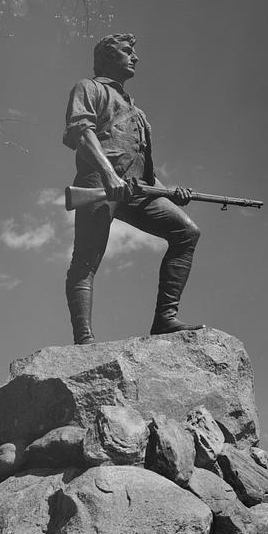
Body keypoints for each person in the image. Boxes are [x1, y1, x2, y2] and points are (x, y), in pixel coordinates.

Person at [63, 33, 204, 345]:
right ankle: (84, 340)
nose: (135, 57)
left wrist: (172, 194)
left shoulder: (138, 112)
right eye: (127, 51)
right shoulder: (89, 88)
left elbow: (148, 174)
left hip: (138, 191)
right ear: (109, 57)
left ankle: (165, 319)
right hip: (100, 184)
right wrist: (108, 174)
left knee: (186, 232)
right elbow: (80, 133)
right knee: (86, 261)